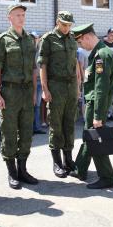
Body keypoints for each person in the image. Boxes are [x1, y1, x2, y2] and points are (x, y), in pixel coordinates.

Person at [0, 4, 38, 189]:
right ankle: (12, 173)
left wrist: (34, 92)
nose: (21, 17)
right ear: (9, 18)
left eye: (23, 14)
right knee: (9, 132)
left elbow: (34, 69)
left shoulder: (29, 39)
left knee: (27, 132)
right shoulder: (3, 40)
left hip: (27, 91)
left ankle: (23, 170)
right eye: (17, 15)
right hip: (9, 92)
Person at [70, 23, 113, 189]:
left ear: (87, 37)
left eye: (81, 42)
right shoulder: (97, 54)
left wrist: (98, 115)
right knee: (88, 136)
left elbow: (101, 88)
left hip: (96, 105)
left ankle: (107, 177)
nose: (80, 45)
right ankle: (80, 168)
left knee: (96, 140)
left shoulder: (101, 56)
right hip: (92, 104)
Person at [38, 11, 78, 178]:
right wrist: (45, 89)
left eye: (69, 25)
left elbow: (74, 62)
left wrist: (78, 85)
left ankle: (68, 159)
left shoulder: (72, 38)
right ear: (57, 22)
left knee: (69, 123)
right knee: (56, 124)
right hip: (55, 85)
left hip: (71, 85)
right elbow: (42, 65)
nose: (66, 28)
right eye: (64, 24)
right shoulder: (48, 39)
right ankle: (57, 162)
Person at [31, 31, 46, 135]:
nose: (35, 40)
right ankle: (30, 128)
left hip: (39, 82)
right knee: (31, 105)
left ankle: (36, 127)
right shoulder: (29, 52)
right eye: (33, 38)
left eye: (36, 38)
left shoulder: (40, 51)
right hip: (31, 82)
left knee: (37, 105)